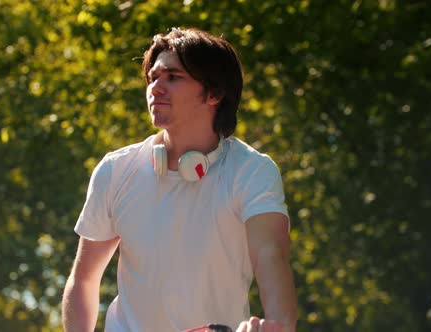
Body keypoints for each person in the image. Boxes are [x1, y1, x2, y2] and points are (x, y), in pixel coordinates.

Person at [62, 27, 297, 332]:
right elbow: (84, 279)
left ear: (214, 93)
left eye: (173, 77)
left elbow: (271, 254)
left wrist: (279, 326)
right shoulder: (116, 170)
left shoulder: (251, 172)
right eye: (153, 78)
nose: (156, 87)